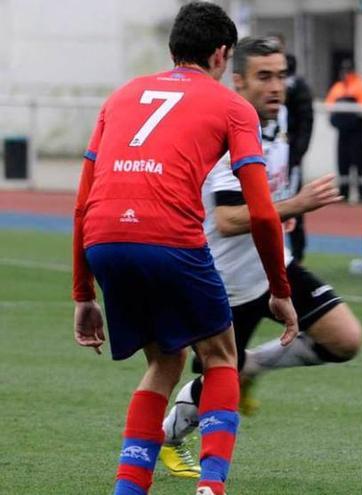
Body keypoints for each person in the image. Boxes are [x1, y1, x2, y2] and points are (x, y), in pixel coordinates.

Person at [71, 4, 297, 495]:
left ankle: (128, 489)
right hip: (170, 238)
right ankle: (211, 487)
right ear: (221, 54)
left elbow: (82, 205)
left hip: (105, 241)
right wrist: (279, 290)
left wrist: (83, 295)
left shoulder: (121, 96)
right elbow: (261, 211)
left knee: (165, 362)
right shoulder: (233, 106)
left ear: (173, 48)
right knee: (220, 356)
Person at [156, 36, 362, 479]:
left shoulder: (279, 119)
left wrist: (283, 214)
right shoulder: (226, 130)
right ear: (237, 81)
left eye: (281, 76)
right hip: (225, 281)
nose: (276, 87)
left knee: (345, 339)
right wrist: (295, 205)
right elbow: (230, 219)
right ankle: (167, 436)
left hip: (271, 266)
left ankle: (253, 367)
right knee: (217, 379)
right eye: (264, 77)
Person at [267, 32, 314, 260]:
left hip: (287, 155)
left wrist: (296, 153)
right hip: (266, 154)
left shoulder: (296, 85)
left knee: (291, 203)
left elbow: (306, 120)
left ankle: (297, 254)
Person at [326, 58, 362, 202]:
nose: (345, 73)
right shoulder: (338, 87)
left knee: (361, 164)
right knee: (343, 163)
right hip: (343, 132)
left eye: (348, 70)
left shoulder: (361, 85)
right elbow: (329, 107)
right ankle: (344, 194)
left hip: (358, 132)